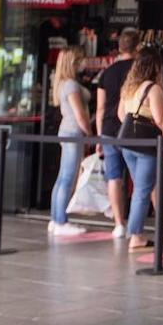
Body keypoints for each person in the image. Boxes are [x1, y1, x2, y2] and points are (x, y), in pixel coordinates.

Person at [117, 48, 163, 252]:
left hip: (127, 142)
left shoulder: (129, 87)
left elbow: (121, 115)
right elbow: (161, 119)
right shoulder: (152, 89)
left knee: (139, 188)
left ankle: (136, 233)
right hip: (146, 144)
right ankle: (136, 236)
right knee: (142, 191)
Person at [95, 28, 138, 239]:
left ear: (119, 48)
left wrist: (98, 135)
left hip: (109, 130)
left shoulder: (107, 73)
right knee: (140, 177)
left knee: (114, 177)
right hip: (133, 130)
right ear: (137, 47)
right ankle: (138, 225)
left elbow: (100, 108)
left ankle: (119, 224)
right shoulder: (139, 70)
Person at [49, 45, 92, 237]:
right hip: (74, 132)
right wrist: (89, 133)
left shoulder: (63, 84)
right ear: (73, 62)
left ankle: (55, 218)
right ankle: (60, 221)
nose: (83, 62)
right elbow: (80, 114)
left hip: (67, 131)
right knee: (67, 177)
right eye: (80, 59)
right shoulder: (71, 85)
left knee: (62, 177)